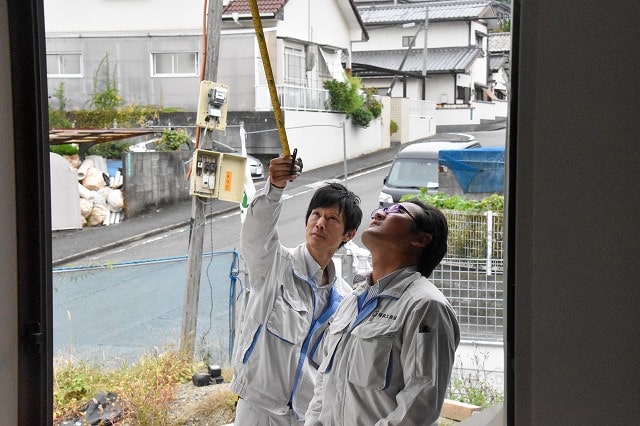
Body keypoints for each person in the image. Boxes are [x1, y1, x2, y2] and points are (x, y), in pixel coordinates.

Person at [231, 153, 363, 425]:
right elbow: (256, 231)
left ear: (348, 234)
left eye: (332, 219)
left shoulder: (345, 299)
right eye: (315, 214)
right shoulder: (274, 264)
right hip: (259, 410)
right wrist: (275, 187)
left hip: (305, 417)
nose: (320, 223)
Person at [305, 200, 460, 426]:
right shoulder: (352, 300)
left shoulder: (425, 305)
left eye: (396, 211)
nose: (379, 213)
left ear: (420, 239)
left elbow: (420, 405)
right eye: (380, 209)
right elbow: (325, 382)